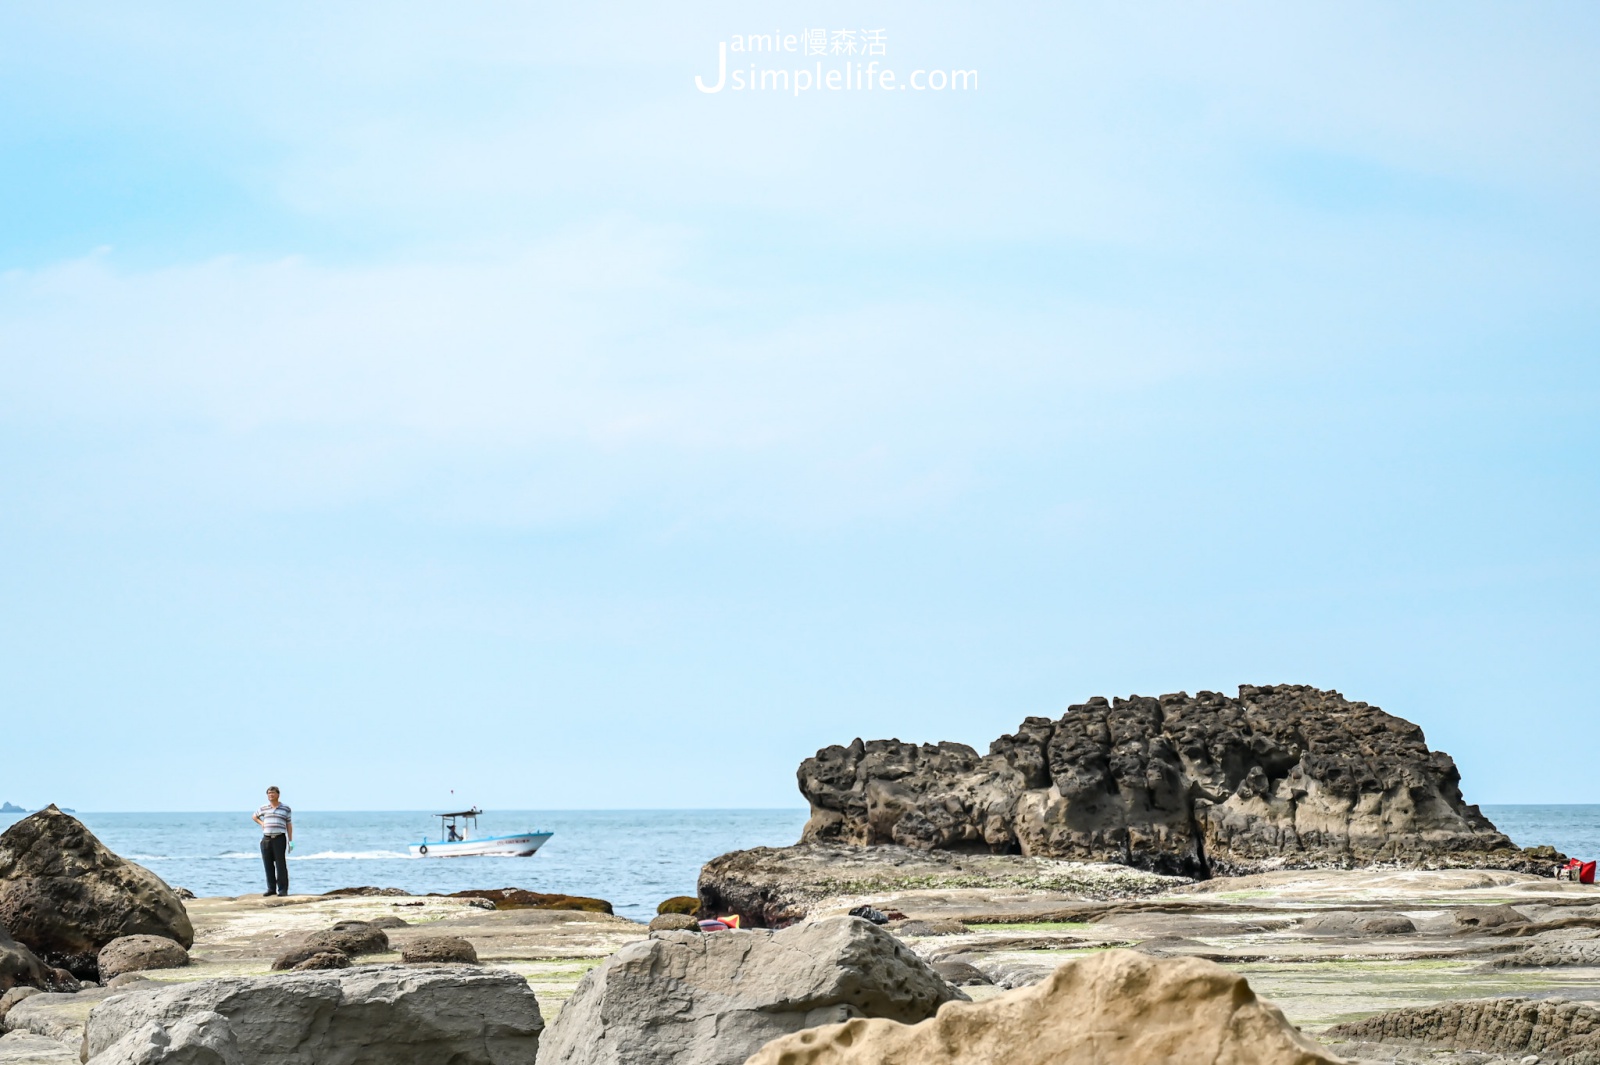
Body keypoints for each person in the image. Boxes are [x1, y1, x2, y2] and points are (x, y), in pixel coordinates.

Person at [252, 786, 293, 897]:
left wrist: (291, 840)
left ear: (278, 794)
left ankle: (283, 890)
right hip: (266, 839)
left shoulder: (285, 808)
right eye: (269, 793)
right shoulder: (263, 808)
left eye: (273, 793)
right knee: (268, 864)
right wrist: (262, 823)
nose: (271, 795)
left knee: (280, 864)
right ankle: (271, 888)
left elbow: (289, 824)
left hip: (279, 838)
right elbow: (254, 816)